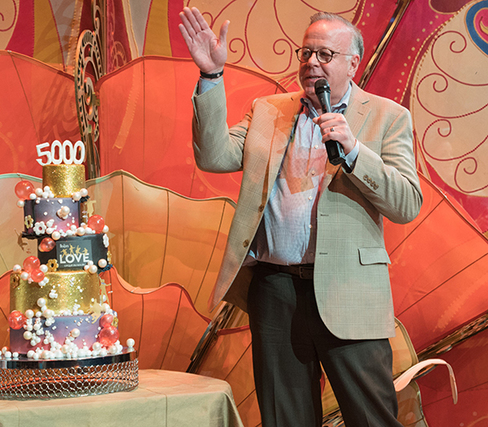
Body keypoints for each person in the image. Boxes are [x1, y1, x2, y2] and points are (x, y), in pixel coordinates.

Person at [178, 7, 422, 427]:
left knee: (373, 419)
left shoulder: (388, 116)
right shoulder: (268, 110)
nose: (312, 62)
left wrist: (354, 152)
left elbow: (406, 203)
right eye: (306, 53)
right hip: (275, 290)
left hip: (349, 289)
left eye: (325, 54)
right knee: (285, 418)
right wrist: (211, 76)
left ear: (353, 63)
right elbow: (213, 155)